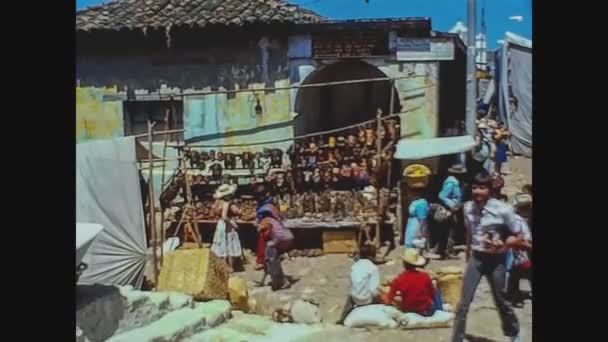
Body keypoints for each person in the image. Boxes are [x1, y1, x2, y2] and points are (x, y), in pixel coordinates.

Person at [451, 171, 523, 342]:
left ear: (490, 190)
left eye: (482, 188)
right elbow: (470, 232)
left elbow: (518, 235)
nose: (477, 191)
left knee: (501, 300)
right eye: (475, 187)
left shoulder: (503, 210)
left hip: (496, 260)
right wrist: (468, 255)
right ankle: (457, 339)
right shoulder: (468, 207)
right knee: (463, 303)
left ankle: (513, 333)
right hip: (476, 258)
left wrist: (503, 247)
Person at [382, 248, 443, 316]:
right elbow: (431, 295)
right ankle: (440, 312)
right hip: (425, 310)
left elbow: (388, 299)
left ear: (404, 264)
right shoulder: (425, 277)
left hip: (408, 310)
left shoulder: (399, 278)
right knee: (435, 290)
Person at [337, 244, 381, 324]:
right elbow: (373, 289)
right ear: (372, 256)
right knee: (380, 296)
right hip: (367, 300)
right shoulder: (373, 268)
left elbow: (352, 283)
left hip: (355, 298)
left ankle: (342, 318)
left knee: (350, 296)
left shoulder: (354, 266)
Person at [257, 200, 295, 291]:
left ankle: (281, 282)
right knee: (271, 260)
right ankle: (278, 281)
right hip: (285, 240)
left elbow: (260, 229)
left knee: (272, 262)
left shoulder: (266, 221)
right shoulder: (275, 220)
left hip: (277, 241)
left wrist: (258, 225)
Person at [505, 194, 533, 307]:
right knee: (516, 273)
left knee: (517, 273)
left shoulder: (519, 218)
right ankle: (515, 298)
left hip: (519, 249)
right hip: (518, 249)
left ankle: (513, 296)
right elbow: (524, 238)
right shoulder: (517, 220)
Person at [210, 184, 243, 272]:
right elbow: (224, 216)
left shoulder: (217, 203)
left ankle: (222, 265)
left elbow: (216, 214)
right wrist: (232, 223)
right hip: (226, 225)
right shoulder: (226, 203)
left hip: (220, 224)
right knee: (229, 244)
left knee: (222, 244)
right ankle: (230, 266)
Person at [436, 165, 465, 259]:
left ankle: (443, 249)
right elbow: (442, 196)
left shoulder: (456, 182)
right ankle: (448, 251)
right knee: (450, 230)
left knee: (450, 229)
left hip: (453, 209)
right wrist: (452, 205)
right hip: (449, 209)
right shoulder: (451, 183)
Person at [253, 183, 280, 271]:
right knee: (263, 245)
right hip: (264, 229)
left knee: (267, 248)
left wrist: (262, 225)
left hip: (269, 229)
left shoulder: (268, 204)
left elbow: (271, 217)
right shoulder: (262, 203)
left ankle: (264, 262)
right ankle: (265, 263)